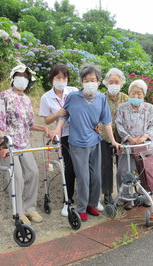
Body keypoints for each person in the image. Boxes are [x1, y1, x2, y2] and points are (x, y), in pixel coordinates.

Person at [52, 64, 120, 221]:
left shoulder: (102, 98)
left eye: (93, 80)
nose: (90, 82)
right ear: (82, 82)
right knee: (82, 177)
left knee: (96, 177)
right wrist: (57, 130)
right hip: (77, 143)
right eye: (86, 80)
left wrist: (114, 141)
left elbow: (107, 122)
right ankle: (81, 207)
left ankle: (92, 204)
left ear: (98, 82)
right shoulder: (73, 97)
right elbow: (64, 115)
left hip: (95, 142)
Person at [0, 64, 53, 225]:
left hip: (24, 144)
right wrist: (2, 145)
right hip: (9, 144)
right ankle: (18, 212)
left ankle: (30, 208)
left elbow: (29, 124)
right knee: (17, 177)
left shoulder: (26, 99)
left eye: (26, 77)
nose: (23, 79)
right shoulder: (4, 96)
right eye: (20, 75)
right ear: (13, 78)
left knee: (33, 173)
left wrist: (44, 128)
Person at [39, 64, 78, 216]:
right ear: (52, 79)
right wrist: (58, 114)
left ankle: (84, 200)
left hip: (79, 132)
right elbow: (47, 120)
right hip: (63, 134)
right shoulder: (46, 97)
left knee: (81, 167)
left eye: (64, 77)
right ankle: (67, 201)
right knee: (69, 168)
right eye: (58, 78)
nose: (61, 80)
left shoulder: (73, 91)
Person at [115, 79, 153, 209]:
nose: (136, 96)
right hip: (128, 146)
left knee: (145, 171)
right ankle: (127, 198)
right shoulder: (122, 108)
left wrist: (144, 137)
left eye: (139, 93)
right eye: (133, 93)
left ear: (143, 95)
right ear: (129, 94)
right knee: (123, 171)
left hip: (144, 146)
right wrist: (129, 138)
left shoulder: (149, 108)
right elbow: (119, 124)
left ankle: (144, 196)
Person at [100, 68, 129, 206]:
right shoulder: (100, 97)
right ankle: (107, 194)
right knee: (105, 167)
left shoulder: (125, 98)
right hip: (103, 137)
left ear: (121, 83)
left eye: (116, 82)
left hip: (121, 138)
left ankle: (124, 193)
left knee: (123, 166)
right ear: (106, 83)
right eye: (111, 81)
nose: (113, 84)